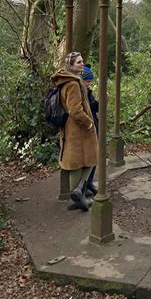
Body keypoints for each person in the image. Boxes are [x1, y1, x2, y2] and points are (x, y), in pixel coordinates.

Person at [51, 51, 98, 211]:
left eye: (82, 61)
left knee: (85, 161)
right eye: (78, 62)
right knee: (82, 162)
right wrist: (89, 124)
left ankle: (81, 197)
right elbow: (75, 110)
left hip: (73, 130)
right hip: (78, 131)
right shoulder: (72, 84)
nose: (82, 64)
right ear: (71, 65)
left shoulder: (67, 82)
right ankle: (79, 194)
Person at [81, 64, 99, 197]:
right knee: (87, 159)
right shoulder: (79, 93)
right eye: (87, 81)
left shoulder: (88, 92)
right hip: (87, 129)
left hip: (93, 126)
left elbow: (93, 108)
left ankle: (90, 182)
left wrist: (100, 102)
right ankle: (84, 185)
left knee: (94, 157)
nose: (89, 84)